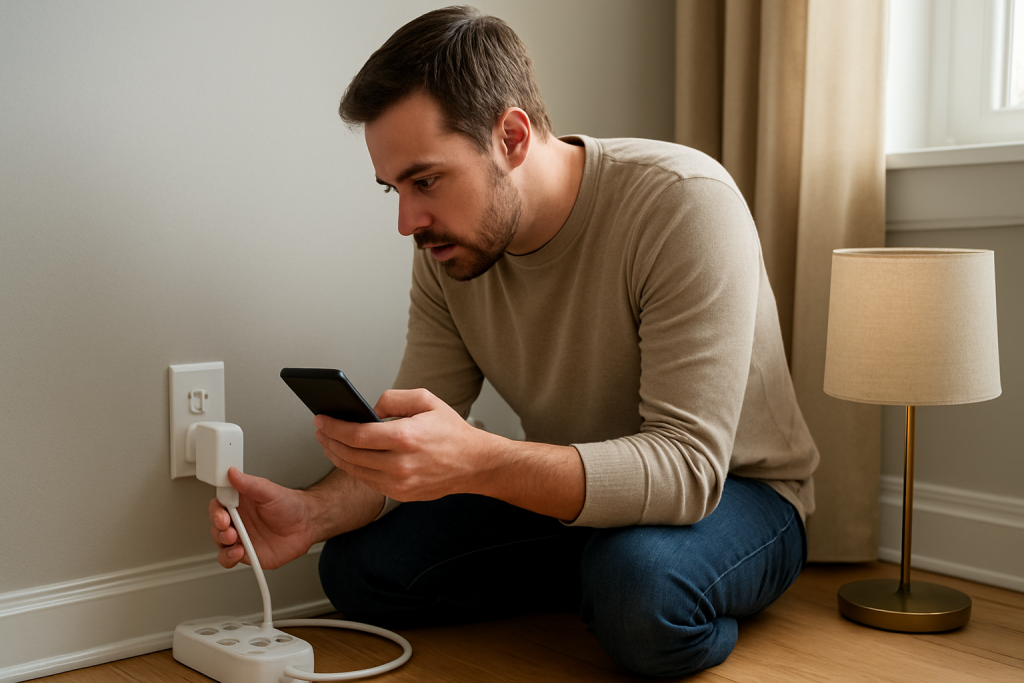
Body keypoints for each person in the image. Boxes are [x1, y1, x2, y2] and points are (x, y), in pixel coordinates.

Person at [208, 6, 819, 677]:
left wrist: (477, 461)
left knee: (641, 593)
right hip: (581, 499)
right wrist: (312, 512)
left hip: (738, 493)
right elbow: (412, 436)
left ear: (513, 136)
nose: (409, 220)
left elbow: (685, 470)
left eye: (426, 180)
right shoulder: (449, 249)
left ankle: (627, 586)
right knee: (359, 570)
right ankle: (599, 577)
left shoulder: (682, 203)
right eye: (394, 189)